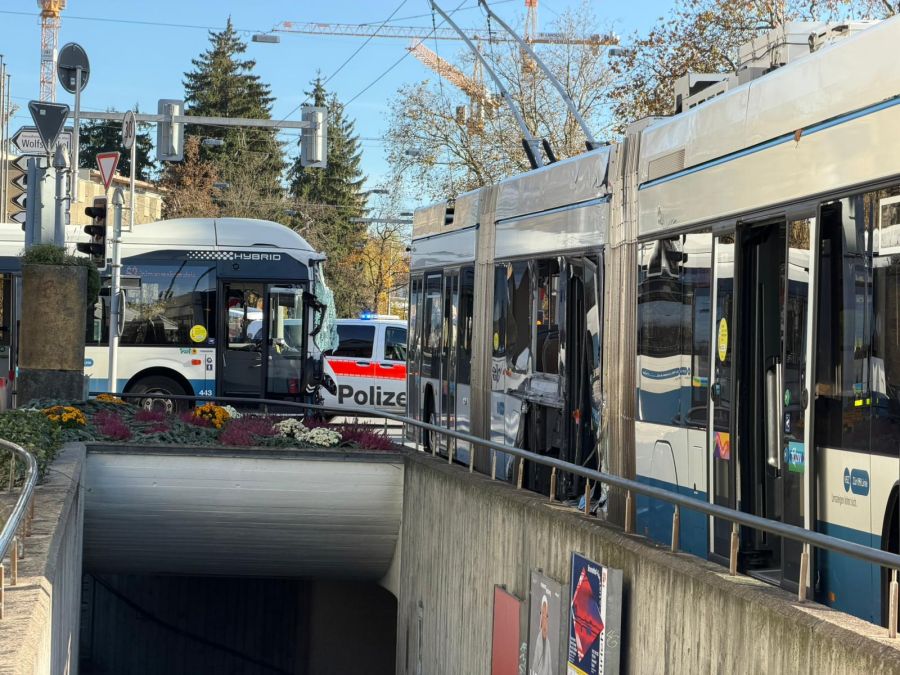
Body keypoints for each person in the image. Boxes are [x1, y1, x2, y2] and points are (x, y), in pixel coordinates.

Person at [530, 594, 554, 675]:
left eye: (546, 616)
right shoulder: (538, 640)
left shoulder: (546, 643)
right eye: (542, 614)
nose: (544, 617)